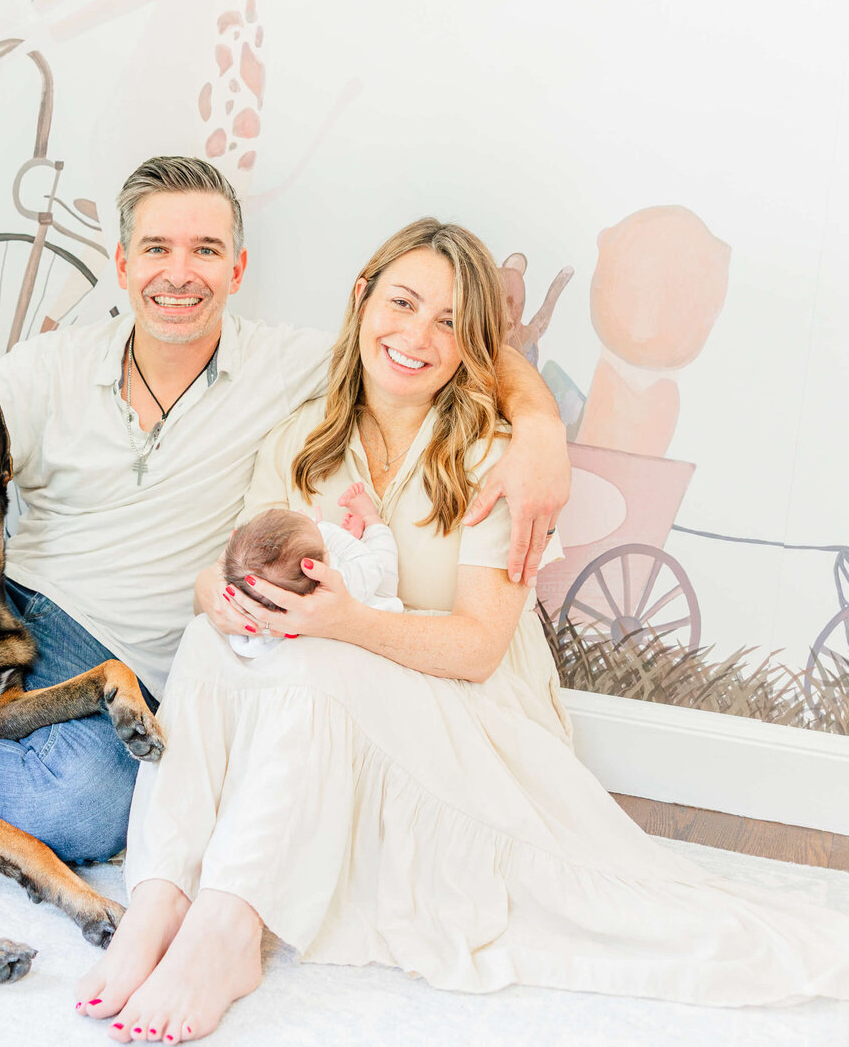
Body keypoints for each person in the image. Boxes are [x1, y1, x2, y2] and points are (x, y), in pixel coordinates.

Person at [74, 219, 849, 1043]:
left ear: (475, 344)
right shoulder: (303, 438)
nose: (417, 335)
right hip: (338, 692)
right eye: (403, 303)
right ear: (362, 299)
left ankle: (230, 927)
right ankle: (160, 896)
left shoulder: (492, 451)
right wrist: (222, 595)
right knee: (207, 639)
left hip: (473, 720)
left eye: (449, 322)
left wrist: (345, 619)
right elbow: (227, 566)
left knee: (316, 664)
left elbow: (480, 647)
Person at [0, 157, 570, 865]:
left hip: (107, 652)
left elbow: (463, 344)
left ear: (237, 270)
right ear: (123, 263)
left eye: (206, 249)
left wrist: (538, 435)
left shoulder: (301, 363)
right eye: (158, 247)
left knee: (84, 809)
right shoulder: (55, 364)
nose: (181, 272)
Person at [222, 491, 402, 659]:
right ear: (318, 569)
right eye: (325, 547)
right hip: (370, 621)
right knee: (383, 569)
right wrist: (325, 530)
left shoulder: (255, 633)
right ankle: (373, 520)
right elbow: (372, 567)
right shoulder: (342, 586)